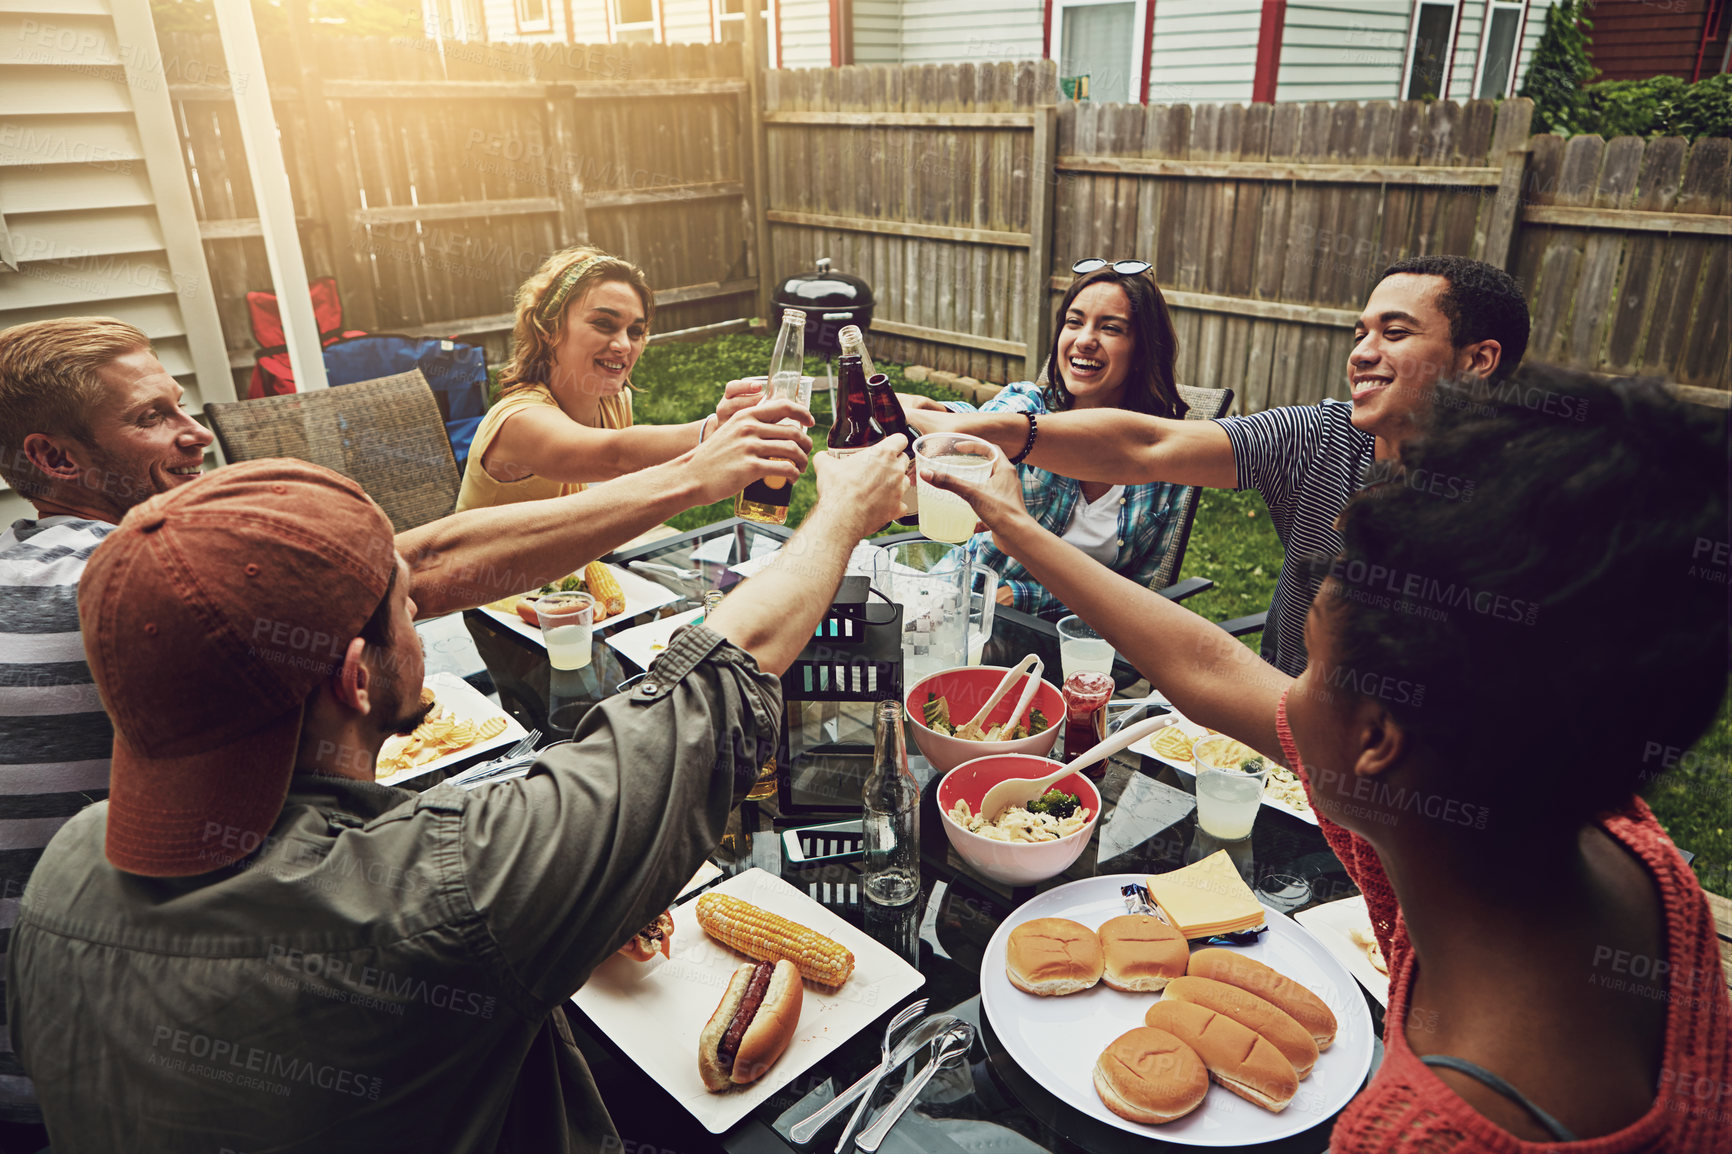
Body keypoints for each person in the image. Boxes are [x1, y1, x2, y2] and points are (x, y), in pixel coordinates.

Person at [0, 314, 814, 1138]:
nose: (193, 435)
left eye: (180, 406)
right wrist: (794, 499)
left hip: (101, 1055)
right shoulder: (128, 598)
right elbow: (691, 704)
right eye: (149, 416)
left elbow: (386, 572)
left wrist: (694, 465)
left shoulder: (73, 853)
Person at [924, 362, 1730, 1150]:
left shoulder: (1422, 1132)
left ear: (1376, 741)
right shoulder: (1584, 818)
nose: (1283, 692)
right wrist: (1017, 526)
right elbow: (1213, 668)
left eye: (1307, 671)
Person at [906, 254, 1530, 671]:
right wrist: (977, 428)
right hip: (1280, 722)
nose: (1363, 353)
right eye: (1360, 333)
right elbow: (1146, 448)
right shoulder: (1320, 437)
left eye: (1394, 334)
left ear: (1479, 360)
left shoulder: (1524, 504)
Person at [920, 258, 1190, 618]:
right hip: (960, 611)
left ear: (1142, 352)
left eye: (1110, 328)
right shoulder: (1028, 408)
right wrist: (919, 413)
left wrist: (1024, 596)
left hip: (1073, 642)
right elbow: (972, 424)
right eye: (1074, 322)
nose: (1084, 340)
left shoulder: (1165, 462)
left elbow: (1131, 593)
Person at [455, 245, 763, 512]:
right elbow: (615, 456)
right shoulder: (518, 423)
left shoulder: (614, 403)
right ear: (547, 330)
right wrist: (714, 430)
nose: (623, 346)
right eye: (603, 323)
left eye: (635, 331)